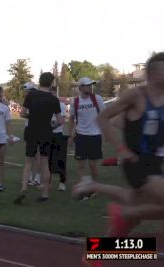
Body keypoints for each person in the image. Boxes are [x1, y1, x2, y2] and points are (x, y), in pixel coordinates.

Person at [75, 53, 164, 267]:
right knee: (140, 209)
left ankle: (97, 254)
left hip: (155, 162)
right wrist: (122, 149)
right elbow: (104, 118)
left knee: (136, 214)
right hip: (137, 162)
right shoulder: (136, 95)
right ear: (152, 74)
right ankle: (123, 211)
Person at [14, 73, 64, 204]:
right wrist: (51, 126)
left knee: (28, 162)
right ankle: (45, 193)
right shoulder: (54, 100)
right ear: (51, 83)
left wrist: (33, 117)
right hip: (46, 131)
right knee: (44, 162)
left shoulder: (31, 95)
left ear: (40, 81)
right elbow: (60, 120)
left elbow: (22, 113)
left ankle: (23, 189)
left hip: (32, 130)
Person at [68, 77, 106, 200]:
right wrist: (70, 135)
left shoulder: (97, 99)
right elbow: (72, 119)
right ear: (80, 88)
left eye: (91, 85)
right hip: (81, 136)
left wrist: (105, 133)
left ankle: (96, 187)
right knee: (81, 165)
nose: (90, 87)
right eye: (87, 85)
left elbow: (104, 117)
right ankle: (84, 188)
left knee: (93, 165)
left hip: (95, 136)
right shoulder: (75, 102)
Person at [49, 87, 68, 191]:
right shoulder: (46, 105)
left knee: (61, 159)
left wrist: (52, 126)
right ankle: (48, 182)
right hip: (48, 135)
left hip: (58, 134)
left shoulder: (62, 105)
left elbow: (62, 120)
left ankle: (62, 183)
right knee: (47, 160)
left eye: (53, 94)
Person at [23, 82, 42, 186]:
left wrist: (30, 116)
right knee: (37, 155)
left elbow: (22, 113)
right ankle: (35, 178)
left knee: (32, 155)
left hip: (30, 128)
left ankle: (31, 178)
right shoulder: (41, 98)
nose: (25, 93)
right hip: (39, 128)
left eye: (26, 90)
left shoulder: (29, 98)